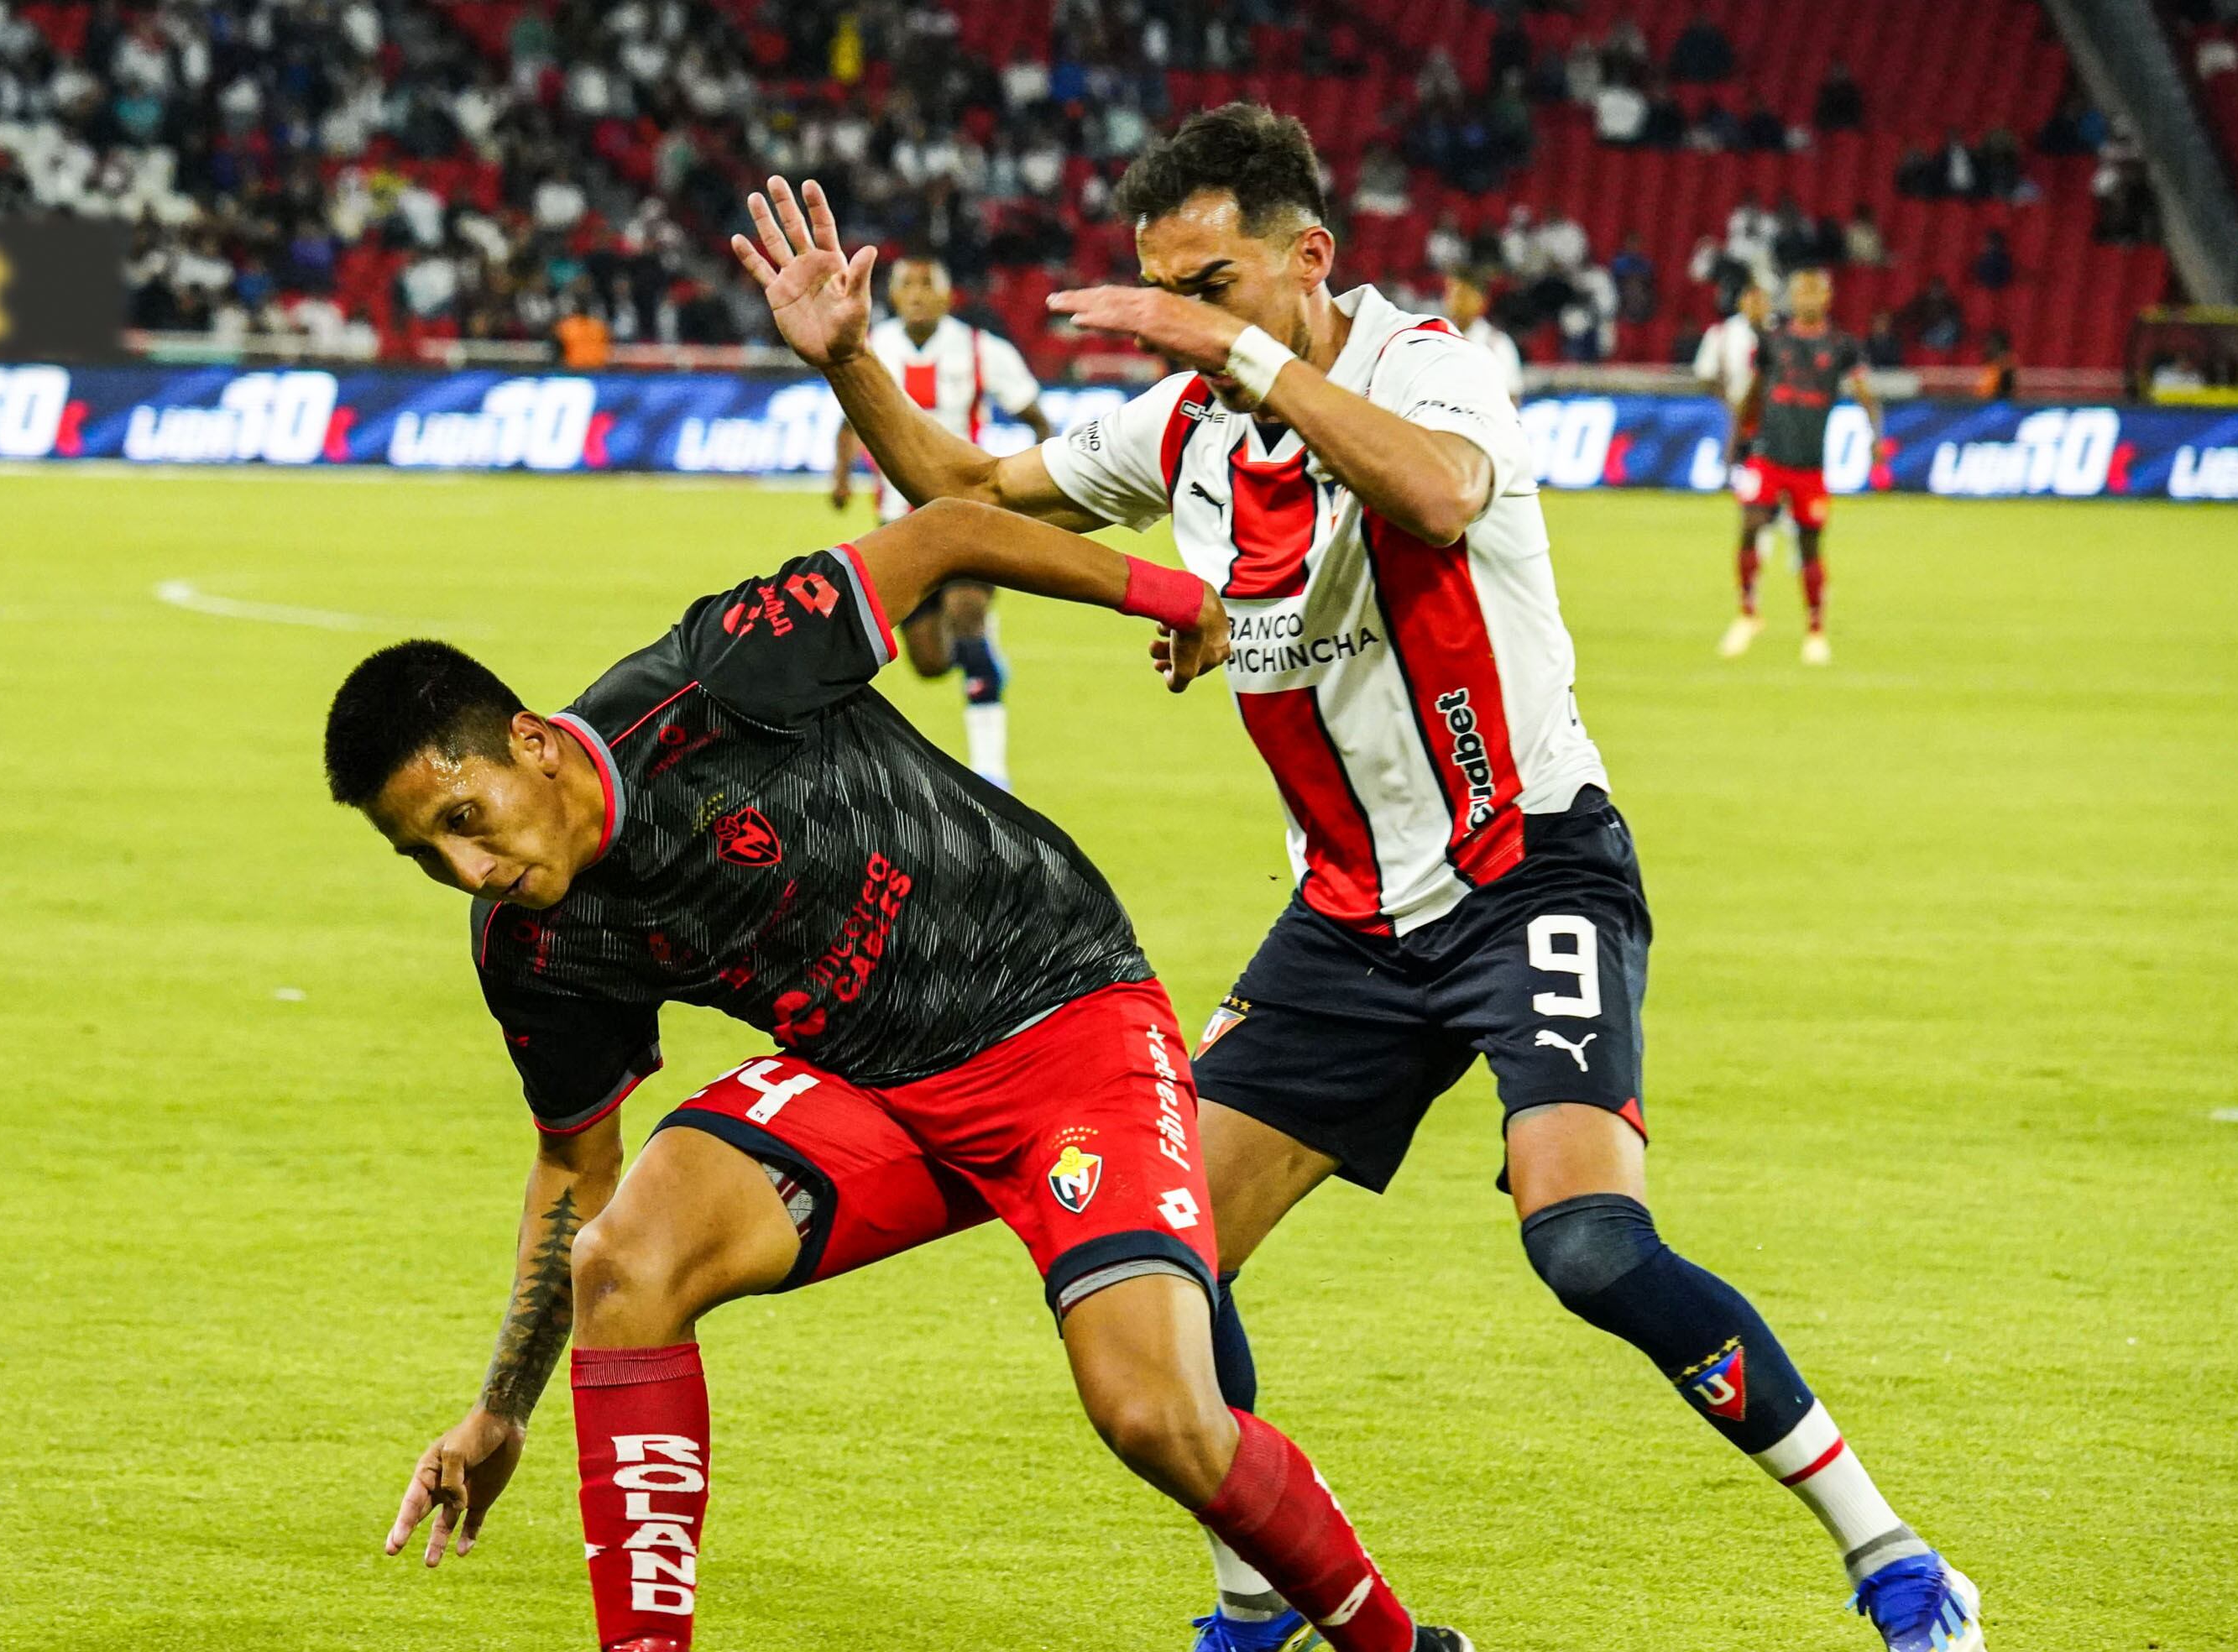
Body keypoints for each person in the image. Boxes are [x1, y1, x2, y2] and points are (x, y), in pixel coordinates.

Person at [735, 103, 1982, 1652]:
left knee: (1587, 1242)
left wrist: (1244, 358)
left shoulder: (1426, 361)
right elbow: (965, 487)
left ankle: (1893, 1555)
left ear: (1308, 258)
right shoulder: (1186, 430)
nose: (1183, 326)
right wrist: (850, 359)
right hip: (1347, 923)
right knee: (1171, 1252)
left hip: (1528, 870)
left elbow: (1440, 494)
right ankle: (1257, 1596)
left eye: (1213, 284)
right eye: (1163, 291)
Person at [361, 492, 1477, 1652]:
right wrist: (502, 1412)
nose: (467, 866)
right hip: (867, 1089)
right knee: (625, 1263)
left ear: (533, 745)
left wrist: (1176, 598)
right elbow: (573, 1165)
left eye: (464, 816)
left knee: (1156, 1416)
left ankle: (1400, 1649)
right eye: (425, 855)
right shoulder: (534, 945)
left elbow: (947, 532)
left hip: (1065, 1024)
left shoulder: (720, 675)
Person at [830, 255, 1053, 787]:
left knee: (968, 615)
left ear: (948, 297)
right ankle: (983, 662)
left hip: (970, 515)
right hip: (899, 522)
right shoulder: (871, 346)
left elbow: (1037, 418)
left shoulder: (982, 350)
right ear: (892, 295)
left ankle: (991, 770)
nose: (917, 294)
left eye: (928, 284)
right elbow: (849, 421)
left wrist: (1042, 484)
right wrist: (841, 477)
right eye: (907, 284)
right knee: (930, 662)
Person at [1726, 267, 1890, 666]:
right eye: (1801, 293)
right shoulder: (1773, 342)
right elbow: (1753, 390)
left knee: (1809, 544)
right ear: (1793, 298)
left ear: (1828, 299)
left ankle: (1815, 629)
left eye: (1815, 293)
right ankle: (1749, 614)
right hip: (1768, 455)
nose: (1807, 300)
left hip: (1809, 464)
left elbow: (1867, 396)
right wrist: (1737, 437)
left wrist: (1875, 438)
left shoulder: (1841, 347)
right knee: (1750, 526)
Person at [1694, 280, 1783, 600]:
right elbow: (1705, 374)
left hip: (1777, 417)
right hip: (1742, 419)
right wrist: (1731, 402)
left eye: (1762, 298)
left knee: (1779, 480)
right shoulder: (1723, 333)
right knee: (1754, 485)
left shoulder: (1780, 333)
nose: (1758, 304)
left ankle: (1781, 534)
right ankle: (1762, 539)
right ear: (1743, 301)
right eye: (1752, 297)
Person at [1446, 274, 1525, 402]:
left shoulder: (1497, 343)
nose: (1456, 302)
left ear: (1481, 301)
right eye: (1452, 294)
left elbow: (1513, 395)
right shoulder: (1437, 336)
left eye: (1463, 296)